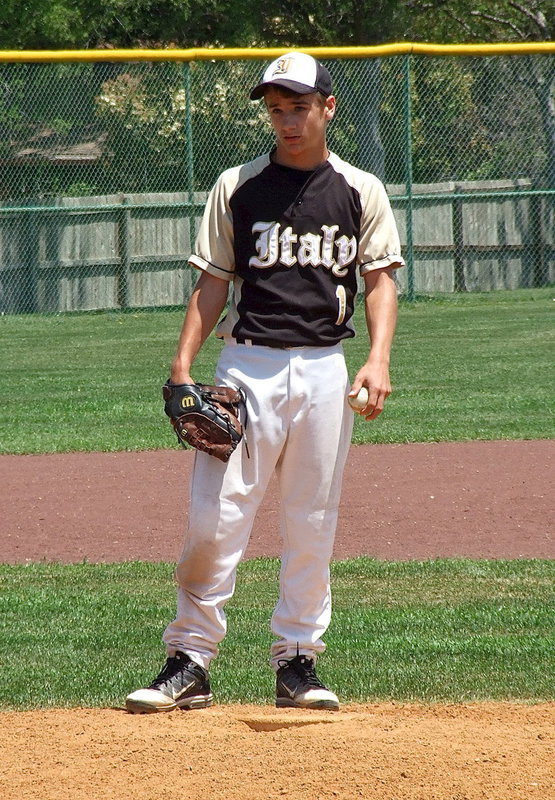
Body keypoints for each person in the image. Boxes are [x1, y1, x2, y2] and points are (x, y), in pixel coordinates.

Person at [125, 51, 404, 714]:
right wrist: (180, 366)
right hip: (245, 369)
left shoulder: (359, 190)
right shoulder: (237, 186)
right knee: (214, 518)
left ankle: (297, 663)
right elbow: (212, 281)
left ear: (327, 107)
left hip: (322, 368)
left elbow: (379, 280)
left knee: (311, 519)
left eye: (298, 106)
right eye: (275, 109)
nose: (286, 120)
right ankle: (189, 659)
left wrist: (378, 360)